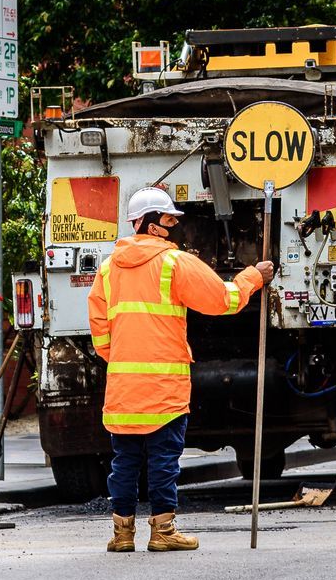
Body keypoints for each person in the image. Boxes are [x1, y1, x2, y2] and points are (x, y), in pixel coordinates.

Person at [88, 186, 274, 553]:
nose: (173, 227)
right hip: (164, 388)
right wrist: (255, 276)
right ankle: (163, 531)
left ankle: (122, 534)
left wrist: (128, 362)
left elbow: (100, 336)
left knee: (124, 462)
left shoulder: (108, 270)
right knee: (162, 460)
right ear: (152, 224)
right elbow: (225, 300)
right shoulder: (174, 264)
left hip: (123, 389)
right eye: (169, 220)